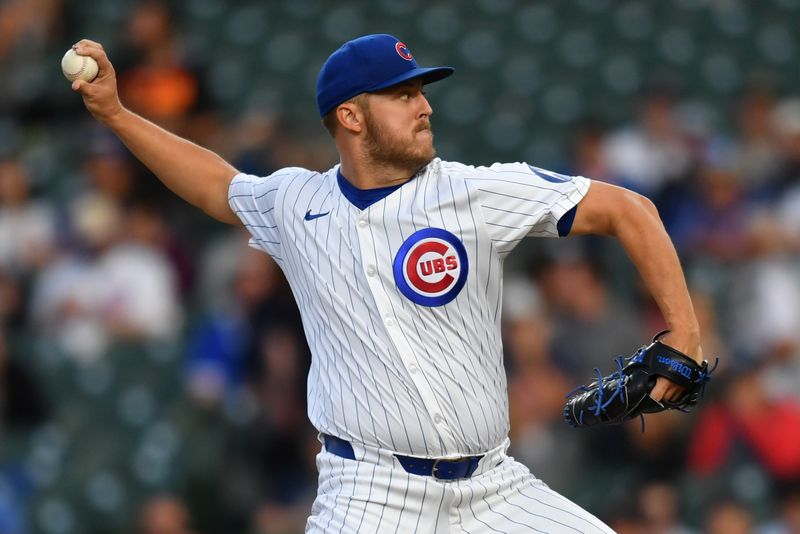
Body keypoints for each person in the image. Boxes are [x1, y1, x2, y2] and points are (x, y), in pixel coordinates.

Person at [71, 33, 703, 533]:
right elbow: (214, 183)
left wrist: (685, 336)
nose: (424, 105)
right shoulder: (298, 203)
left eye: (421, 91)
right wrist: (119, 115)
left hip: (494, 489)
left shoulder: (473, 191)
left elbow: (631, 211)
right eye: (402, 94)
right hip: (370, 495)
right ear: (351, 115)